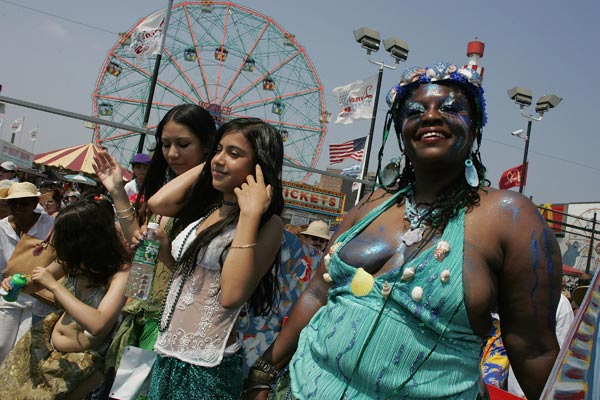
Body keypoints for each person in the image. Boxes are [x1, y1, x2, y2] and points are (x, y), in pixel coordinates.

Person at [246, 62, 563, 400]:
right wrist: (263, 372)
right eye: (415, 110)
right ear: (400, 129)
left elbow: (533, 350)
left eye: (451, 108)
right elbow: (316, 294)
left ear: (475, 127)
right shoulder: (369, 205)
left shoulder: (509, 217)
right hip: (302, 388)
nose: (430, 116)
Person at [146, 117, 284, 400]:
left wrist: (249, 214)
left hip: (208, 367)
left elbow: (232, 294)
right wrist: (165, 252)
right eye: (218, 149)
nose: (219, 160)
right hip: (168, 352)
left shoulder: (268, 225)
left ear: (260, 165)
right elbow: (157, 203)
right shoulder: (212, 207)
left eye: (234, 153)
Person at [94, 104, 216, 378]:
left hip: (176, 328)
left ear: (208, 145)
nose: (172, 154)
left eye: (183, 144)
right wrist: (116, 191)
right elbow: (138, 240)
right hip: (144, 312)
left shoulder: (212, 202)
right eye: (165, 144)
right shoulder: (170, 190)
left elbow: (204, 285)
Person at [0, 199, 129, 399]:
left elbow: (98, 324)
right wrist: (18, 283)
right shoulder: (75, 261)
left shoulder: (121, 274)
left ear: (84, 238)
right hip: (46, 352)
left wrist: (54, 285)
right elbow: (36, 283)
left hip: (78, 369)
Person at [0, 182, 55, 362]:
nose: (18, 207)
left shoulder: (51, 224)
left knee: (21, 351)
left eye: (23, 203)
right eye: (13, 203)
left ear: (34, 204)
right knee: (1, 346)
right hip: (7, 295)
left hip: (38, 298)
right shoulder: (1, 227)